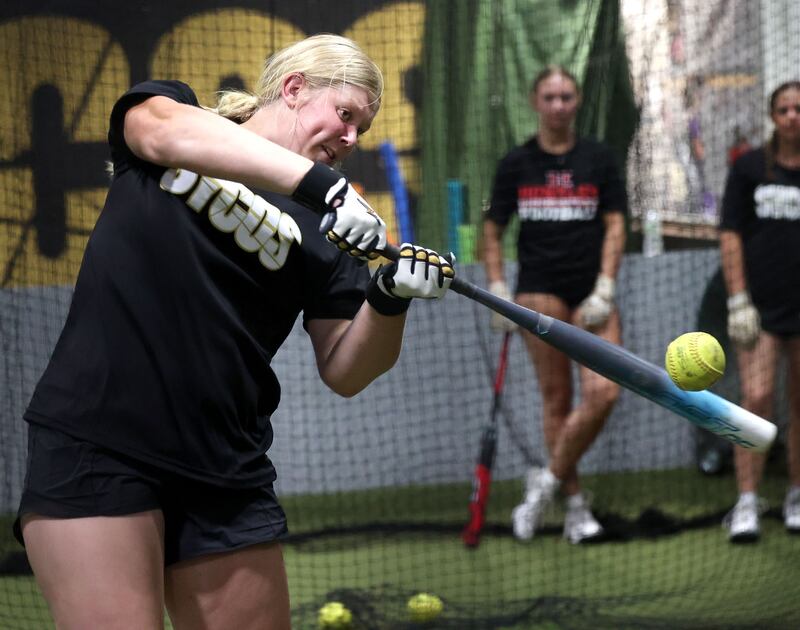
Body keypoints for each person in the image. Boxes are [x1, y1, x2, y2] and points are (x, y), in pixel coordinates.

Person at [13, 34, 454, 629]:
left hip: (225, 464)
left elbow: (346, 370)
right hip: (101, 440)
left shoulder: (332, 229)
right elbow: (159, 132)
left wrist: (389, 296)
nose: (352, 138)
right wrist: (320, 186)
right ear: (294, 89)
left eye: (361, 129)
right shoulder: (178, 114)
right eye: (345, 115)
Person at [483, 65, 627, 544]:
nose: (559, 105)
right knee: (557, 398)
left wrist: (605, 285)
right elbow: (493, 228)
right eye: (550, 97)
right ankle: (576, 505)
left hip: (591, 291)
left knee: (605, 392)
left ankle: (544, 483)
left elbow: (615, 224)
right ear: (535, 101)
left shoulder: (599, 159)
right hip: (539, 289)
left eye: (567, 96)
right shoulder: (516, 163)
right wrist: (498, 286)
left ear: (578, 100)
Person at [719, 80, 800, 543]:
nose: (792, 116)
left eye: (798, 109)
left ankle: (796, 494)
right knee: (756, 397)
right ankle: (747, 500)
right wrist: (738, 299)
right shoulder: (750, 167)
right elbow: (730, 233)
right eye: (784, 109)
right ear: (772, 116)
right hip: (761, 309)